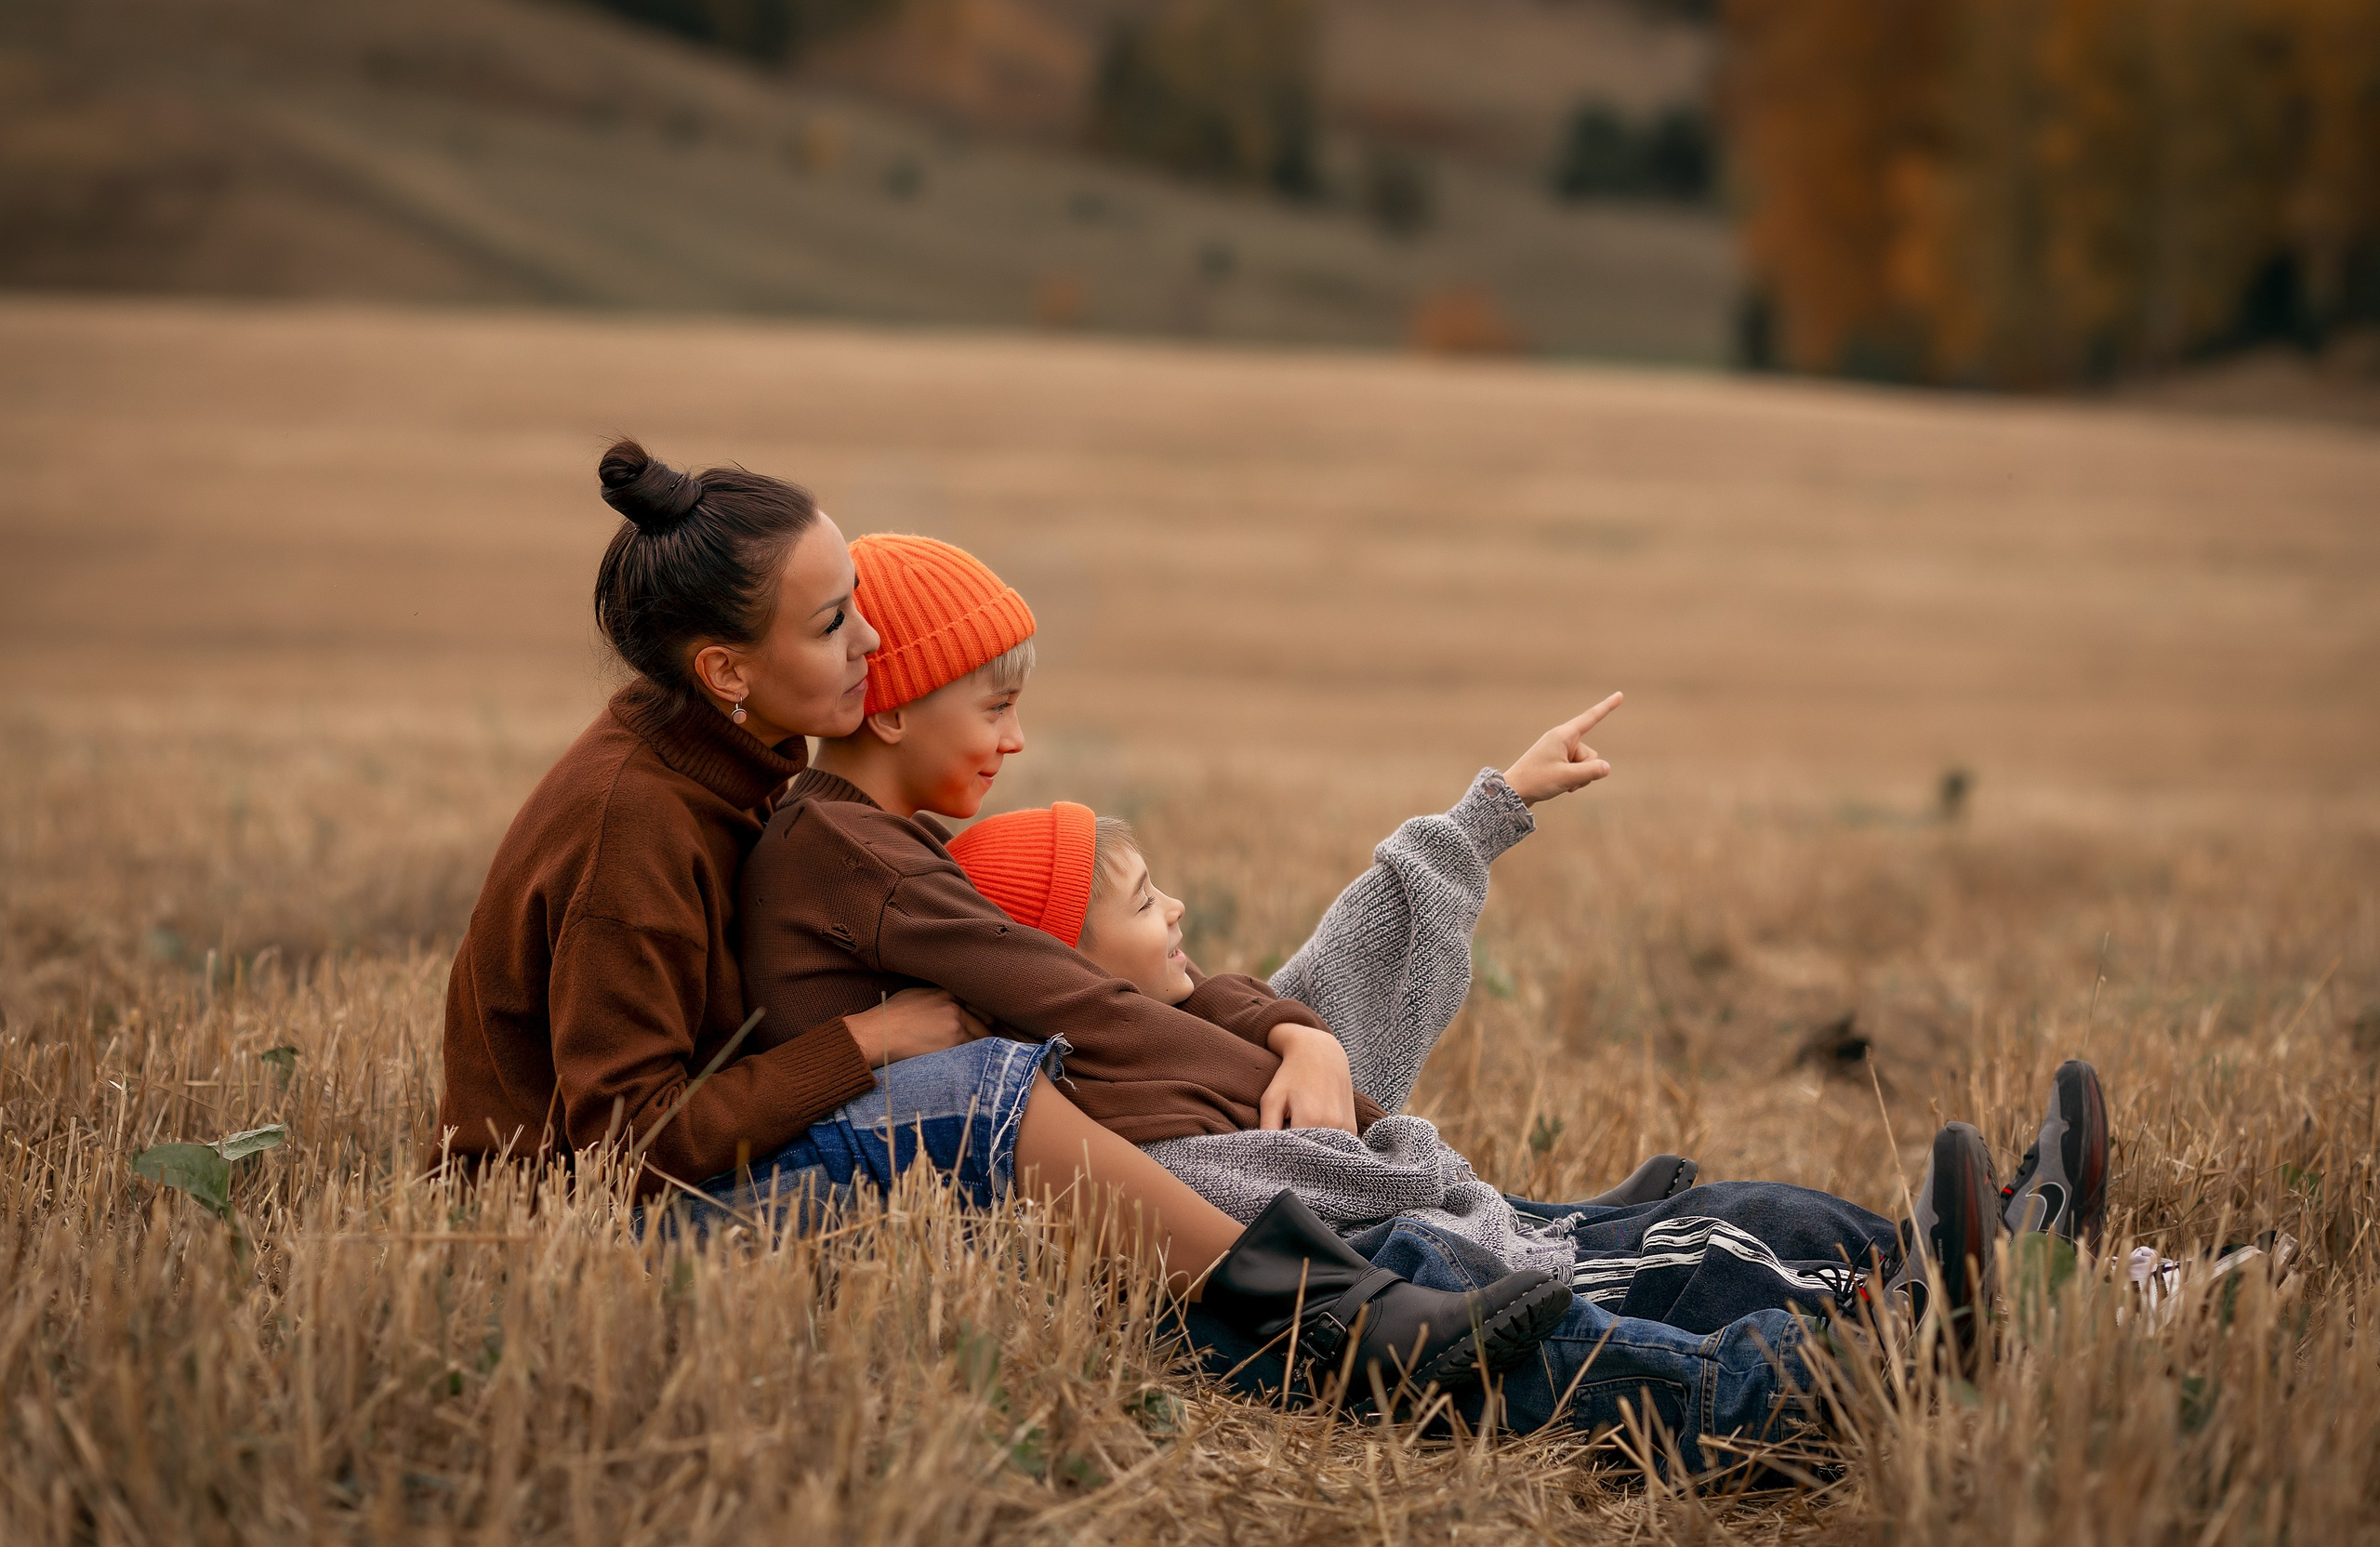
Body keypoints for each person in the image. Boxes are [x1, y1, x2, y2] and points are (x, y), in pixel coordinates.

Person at [738, 530, 2110, 1463]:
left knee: (1761, 1220)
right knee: (1702, 1276)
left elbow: (1274, 987)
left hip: (1453, 1236)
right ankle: (1926, 1350)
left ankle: (2025, 1270)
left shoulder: (1131, 1012)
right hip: (1441, 1265)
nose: (1017, 732)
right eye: (1143, 901)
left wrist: (1460, 839)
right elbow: (1121, 1012)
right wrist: (1312, 1014)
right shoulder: (1030, 1018)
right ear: (895, 699)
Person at [432, 442, 1566, 1408]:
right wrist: (864, 1049)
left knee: (985, 1074)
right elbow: (619, 1149)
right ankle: (1329, 1332)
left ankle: (1364, 1259)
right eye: (834, 626)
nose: (872, 652)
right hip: (585, 1235)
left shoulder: (731, 762)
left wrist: (1299, 1038)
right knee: (973, 1092)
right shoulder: (631, 822)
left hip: (700, 1171)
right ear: (727, 670)